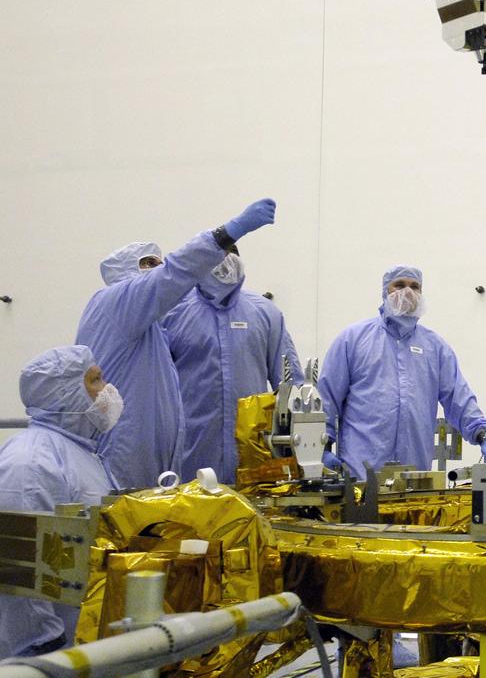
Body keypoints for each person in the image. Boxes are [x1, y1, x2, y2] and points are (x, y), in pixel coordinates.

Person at [75, 199, 277, 490]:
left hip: (151, 459)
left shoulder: (149, 325)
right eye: (148, 263)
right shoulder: (119, 301)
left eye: (158, 262)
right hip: (125, 455)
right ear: (122, 270)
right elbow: (177, 270)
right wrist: (228, 232)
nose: (156, 269)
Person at [318, 265, 486, 480]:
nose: (407, 292)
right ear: (385, 292)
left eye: (415, 287)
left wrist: (483, 437)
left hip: (415, 476)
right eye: (399, 285)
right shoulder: (353, 340)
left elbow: (458, 397)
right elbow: (327, 398)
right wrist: (322, 447)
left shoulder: (435, 347)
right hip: (360, 474)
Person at [0, 346, 118, 658]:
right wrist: (41, 644)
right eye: (95, 380)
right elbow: (17, 565)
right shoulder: (31, 461)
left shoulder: (80, 451)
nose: (106, 389)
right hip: (47, 651)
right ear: (66, 393)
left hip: (81, 639)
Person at [162, 246, 301, 483]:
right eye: (215, 254)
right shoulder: (173, 313)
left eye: (229, 253)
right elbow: (159, 389)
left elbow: (290, 387)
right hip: (192, 454)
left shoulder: (266, 314)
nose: (224, 261)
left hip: (253, 456)